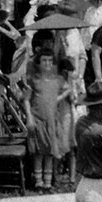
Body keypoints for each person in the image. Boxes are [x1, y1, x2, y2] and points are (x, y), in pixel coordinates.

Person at [23, 49, 74, 193]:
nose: (47, 64)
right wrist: (29, 117)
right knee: (39, 152)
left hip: (52, 120)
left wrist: (59, 98)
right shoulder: (34, 80)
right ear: (38, 63)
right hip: (38, 120)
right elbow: (26, 100)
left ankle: (47, 184)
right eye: (44, 60)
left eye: (50, 61)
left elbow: (68, 89)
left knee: (50, 153)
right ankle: (38, 183)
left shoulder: (57, 80)